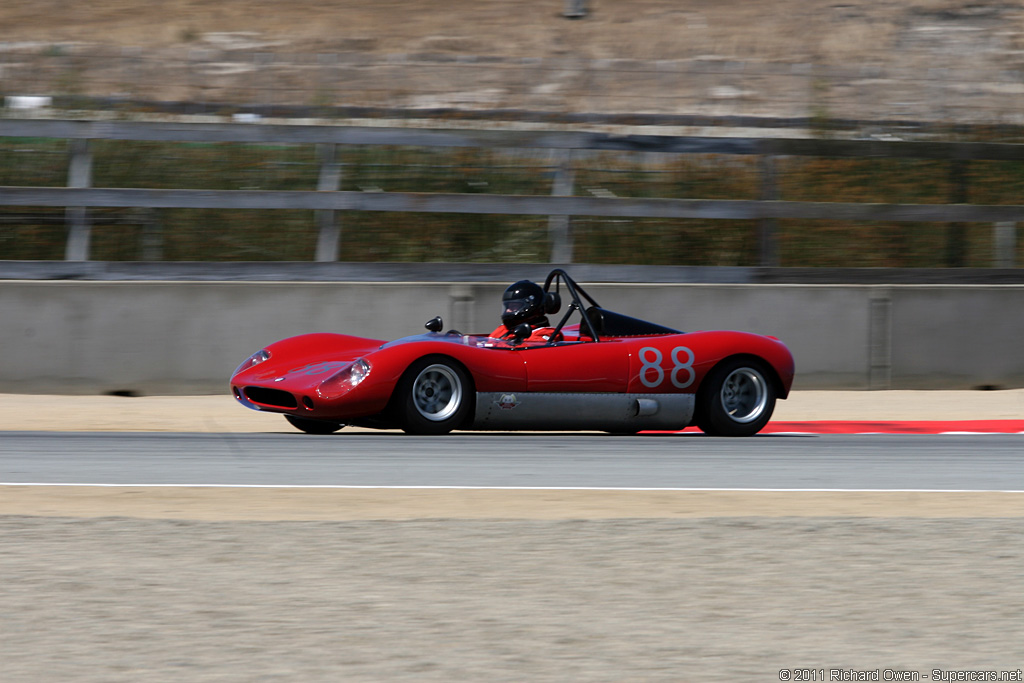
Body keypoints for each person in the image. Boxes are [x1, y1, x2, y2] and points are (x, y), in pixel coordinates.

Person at [490, 280, 560, 343]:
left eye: (514, 307)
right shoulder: (503, 329)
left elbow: (530, 350)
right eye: (507, 307)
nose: (508, 310)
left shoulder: (546, 333)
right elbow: (486, 344)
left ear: (530, 306)